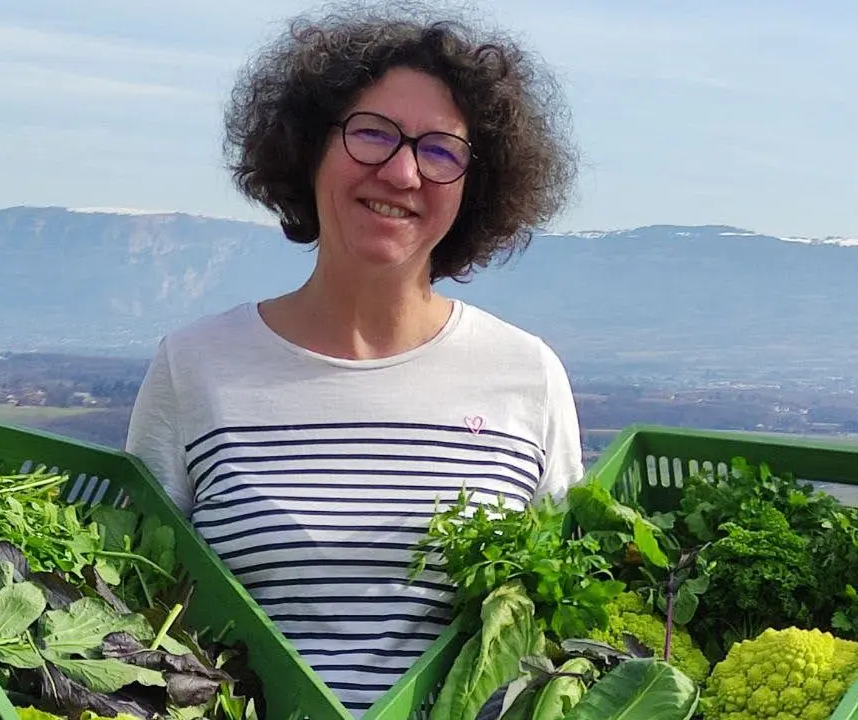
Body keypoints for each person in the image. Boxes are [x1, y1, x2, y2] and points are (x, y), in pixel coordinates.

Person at [125, 2, 585, 714]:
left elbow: (557, 634)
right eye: (372, 134)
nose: (402, 172)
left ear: (475, 185)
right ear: (308, 149)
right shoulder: (195, 368)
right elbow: (137, 613)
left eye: (441, 150)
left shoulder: (527, 377)